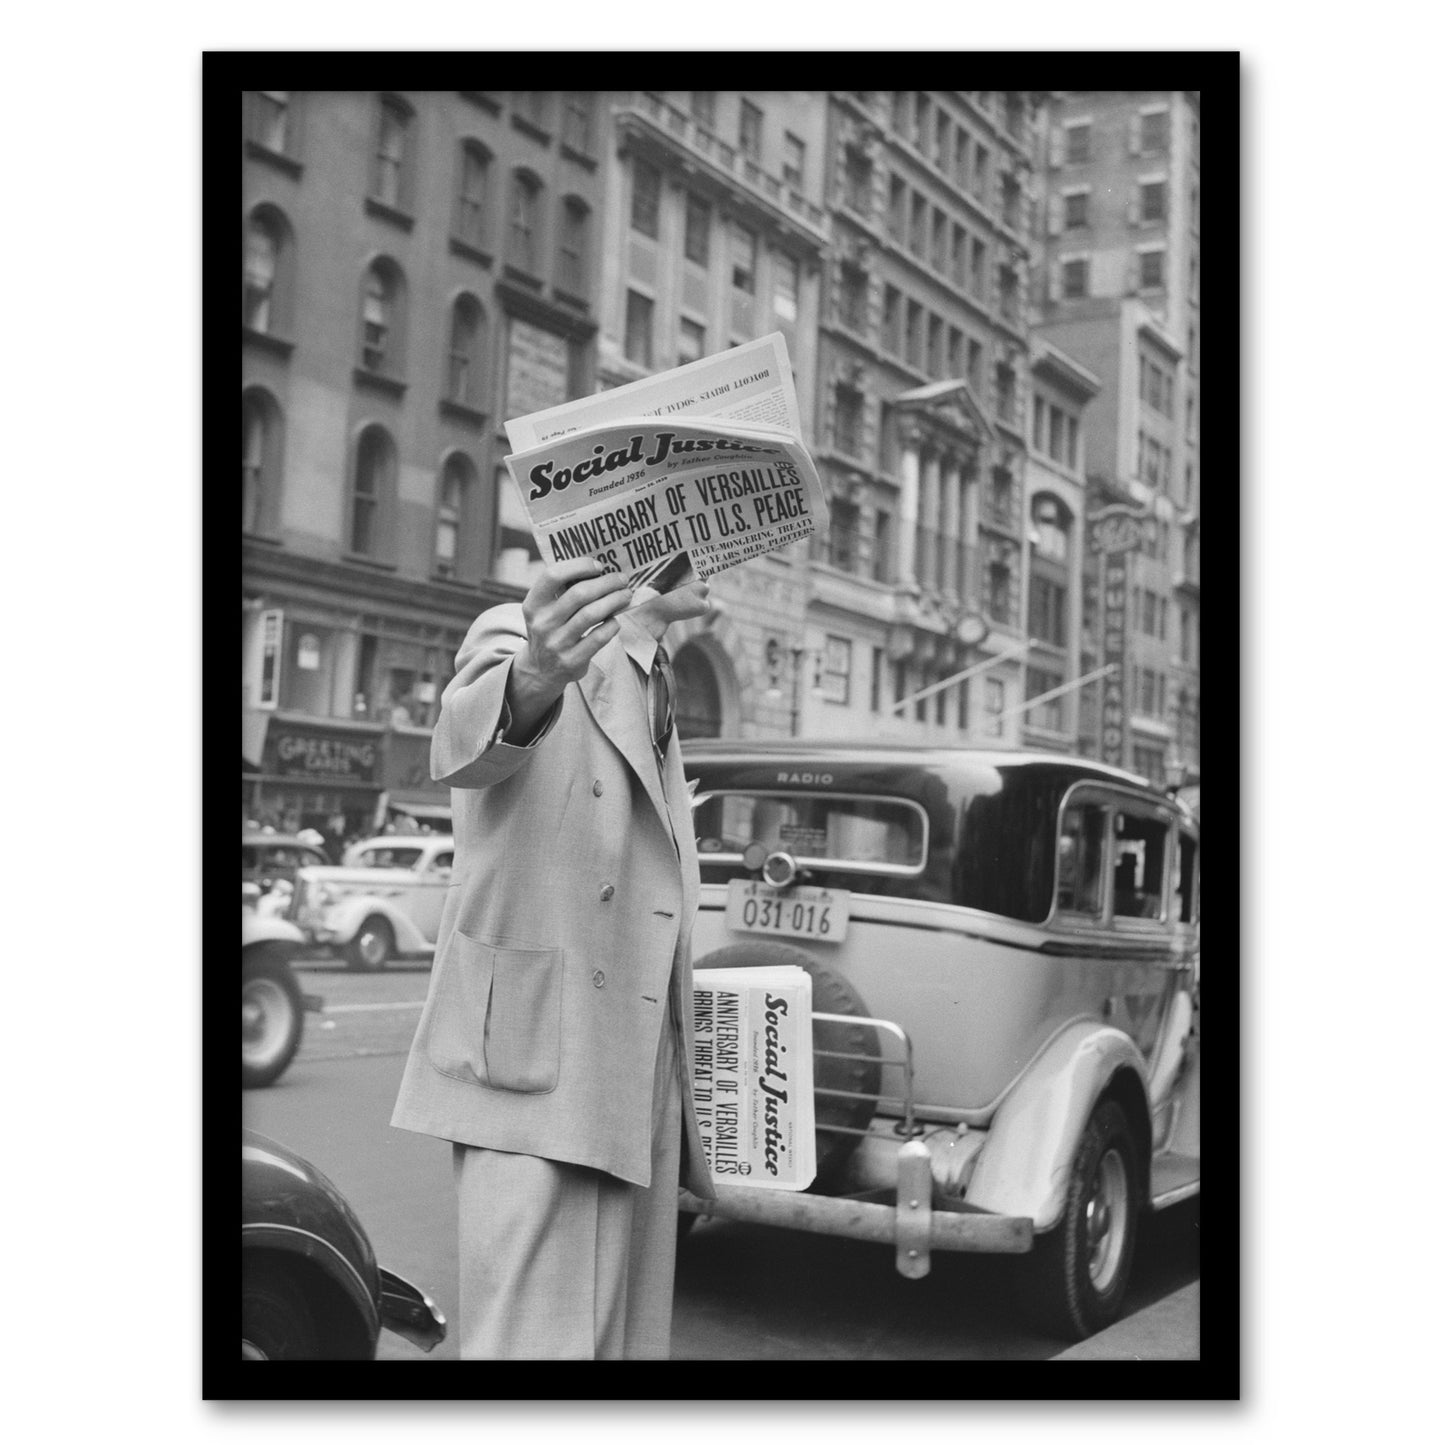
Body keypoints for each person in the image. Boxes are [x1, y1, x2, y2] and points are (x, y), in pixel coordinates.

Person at [390, 557, 716, 1360]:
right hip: (536, 1071)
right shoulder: (522, 631)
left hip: (630, 1078)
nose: (716, 566)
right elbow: (461, 747)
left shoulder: (652, 669)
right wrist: (536, 669)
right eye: (697, 539)